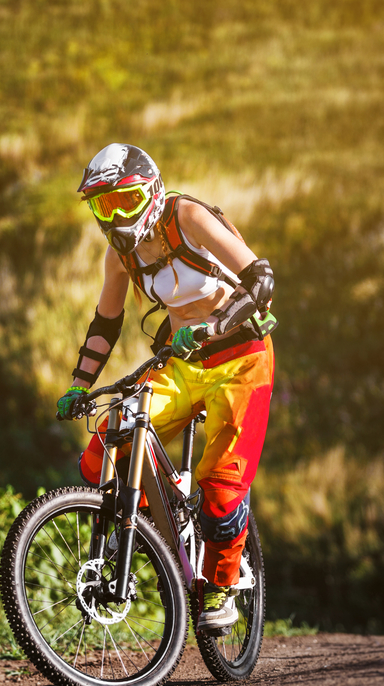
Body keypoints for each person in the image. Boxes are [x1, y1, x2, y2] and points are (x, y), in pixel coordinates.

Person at [55, 143, 277, 632]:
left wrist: (214, 328)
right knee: (108, 441)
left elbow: (261, 280)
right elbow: (105, 323)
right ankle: (147, 521)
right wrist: (78, 386)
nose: (115, 217)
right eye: (103, 206)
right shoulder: (121, 256)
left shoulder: (189, 216)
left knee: (221, 488)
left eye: (124, 202)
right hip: (182, 362)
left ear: (151, 191)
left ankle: (220, 588)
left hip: (241, 358)